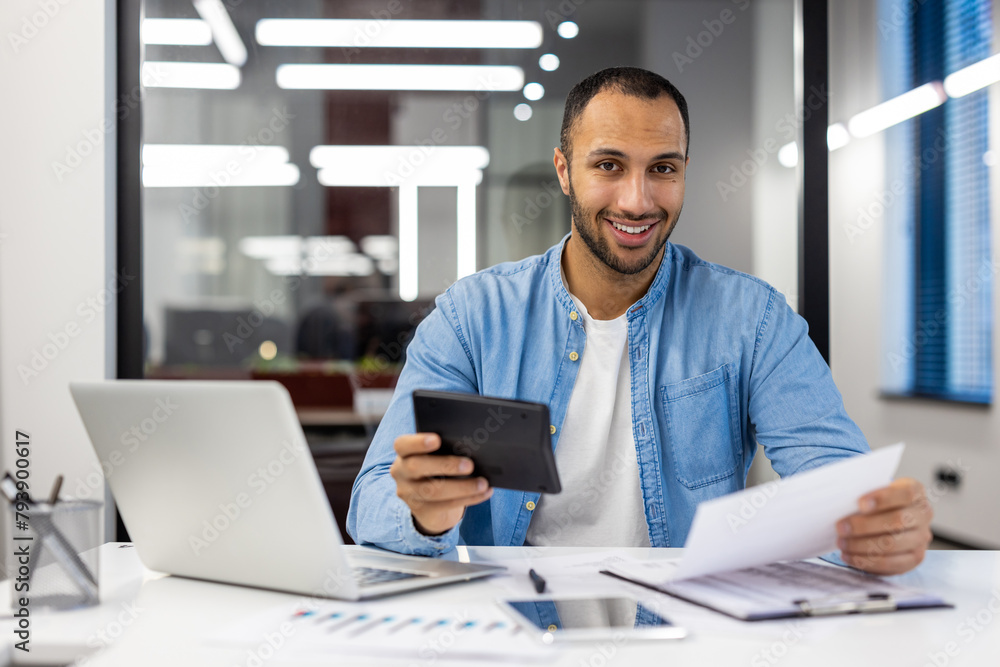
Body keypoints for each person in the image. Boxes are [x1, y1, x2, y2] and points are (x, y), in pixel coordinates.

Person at [347, 67, 932, 576]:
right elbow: (371, 506)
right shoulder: (472, 317)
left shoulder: (752, 319)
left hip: (685, 633)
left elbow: (837, 482)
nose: (637, 200)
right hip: (514, 635)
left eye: (662, 168)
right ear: (563, 170)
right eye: (608, 164)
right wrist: (421, 514)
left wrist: (874, 529)